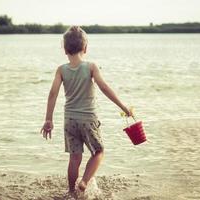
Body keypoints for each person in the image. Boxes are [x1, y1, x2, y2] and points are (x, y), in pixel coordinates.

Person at [41, 26, 133, 194]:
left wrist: (48, 119)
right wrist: (124, 107)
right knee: (99, 152)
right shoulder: (91, 67)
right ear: (85, 48)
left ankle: (70, 192)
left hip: (69, 120)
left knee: (74, 158)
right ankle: (83, 182)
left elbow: (53, 93)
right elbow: (104, 87)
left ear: (65, 49)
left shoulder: (61, 70)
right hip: (88, 119)